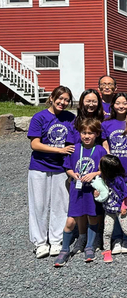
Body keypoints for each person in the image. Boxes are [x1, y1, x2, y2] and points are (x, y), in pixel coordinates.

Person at [28, 86, 76, 259]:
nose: (62, 102)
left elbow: (73, 142)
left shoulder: (70, 118)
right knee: (38, 205)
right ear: (51, 98)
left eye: (66, 100)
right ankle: (40, 243)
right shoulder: (39, 117)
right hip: (39, 166)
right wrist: (59, 150)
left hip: (61, 168)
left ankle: (56, 240)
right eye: (60, 98)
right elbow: (35, 144)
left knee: (60, 205)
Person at [54, 118, 107, 266]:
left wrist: (95, 174)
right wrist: (73, 175)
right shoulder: (74, 148)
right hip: (77, 190)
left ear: (96, 134)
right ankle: (64, 249)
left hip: (92, 190)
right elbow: (68, 167)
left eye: (90, 133)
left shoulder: (100, 150)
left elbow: (104, 168)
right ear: (79, 133)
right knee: (71, 220)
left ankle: (89, 246)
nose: (87, 136)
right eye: (84, 133)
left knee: (93, 217)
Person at [101, 92, 127, 255]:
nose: (121, 106)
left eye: (124, 103)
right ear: (113, 105)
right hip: (112, 174)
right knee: (113, 206)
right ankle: (117, 238)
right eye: (118, 103)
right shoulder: (107, 124)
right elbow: (105, 144)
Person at [96, 155, 127, 263]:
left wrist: (124, 207)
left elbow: (126, 194)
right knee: (107, 231)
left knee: (126, 228)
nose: (98, 166)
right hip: (108, 210)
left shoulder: (118, 180)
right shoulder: (102, 178)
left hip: (121, 209)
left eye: (100, 165)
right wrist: (96, 194)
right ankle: (107, 251)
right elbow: (100, 191)